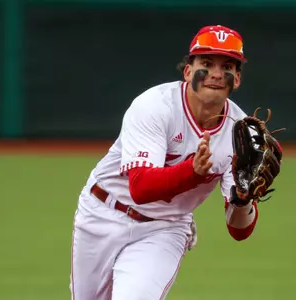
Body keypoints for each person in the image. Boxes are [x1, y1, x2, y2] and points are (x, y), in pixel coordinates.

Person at [69, 24, 282, 300]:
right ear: (188, 71)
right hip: (102, 213)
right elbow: (141, 189)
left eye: (227, 67)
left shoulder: (238, 134)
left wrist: (242, 200)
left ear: (237, 79)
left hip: (164, 229)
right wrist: (192, 172)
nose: (217, 74)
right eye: (207, 63)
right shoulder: (154, 106)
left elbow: (239, 231)